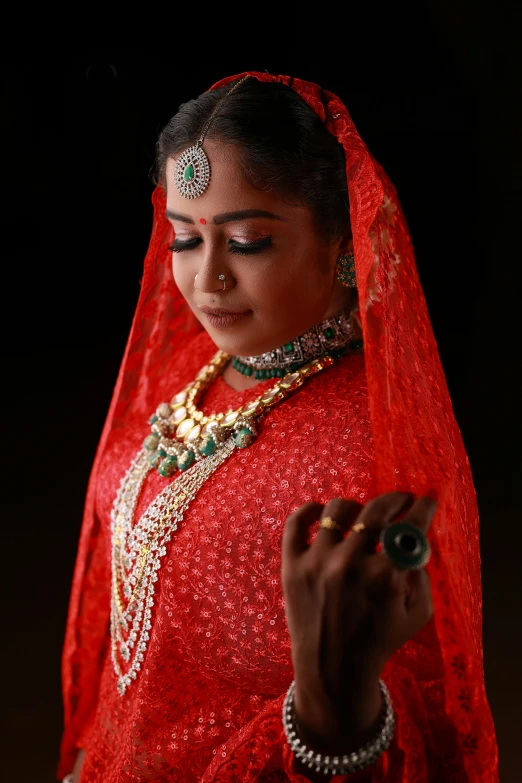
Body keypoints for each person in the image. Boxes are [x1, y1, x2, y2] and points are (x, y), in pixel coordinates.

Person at [57, 71, 499, 782]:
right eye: (183, 240)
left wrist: (332, 709)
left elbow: (418, 722)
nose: (208, 279)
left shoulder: (370, 447)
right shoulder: (189, 372)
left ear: (345, 243)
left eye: (248, 241)